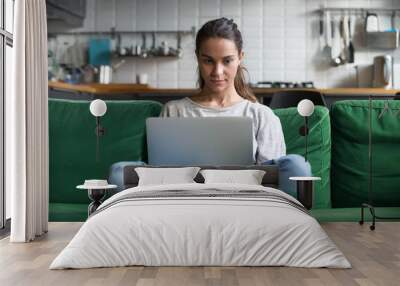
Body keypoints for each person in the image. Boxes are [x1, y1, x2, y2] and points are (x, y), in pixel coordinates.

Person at [109, 18, 311, 198]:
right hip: (182, 197)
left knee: (296, 164)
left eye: (227, 60)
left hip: (244, 197)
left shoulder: (261, 115)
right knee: (119, 170)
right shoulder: (175, 111)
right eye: (208, 61)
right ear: (198, 58)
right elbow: (161, 175)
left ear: (240, 57)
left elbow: (271, 179)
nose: (217, 71)